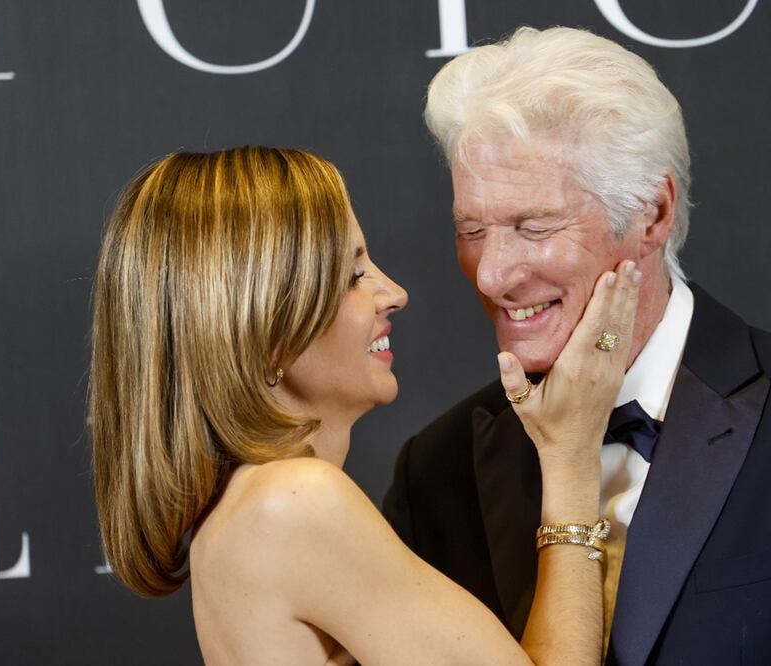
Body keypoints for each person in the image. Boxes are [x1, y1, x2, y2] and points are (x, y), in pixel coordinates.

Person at [384, 26, 771, 665]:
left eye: (533, 227)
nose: (491, 274)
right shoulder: (436, 470)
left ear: (652, 215)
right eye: (473, 229)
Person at [88, 146, 643, 665]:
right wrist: (570, 459)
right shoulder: (293, 504)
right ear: (264, 329)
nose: (394, 292)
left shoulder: (248, 508)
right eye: (354, 276)